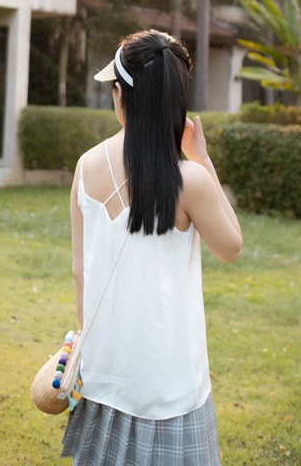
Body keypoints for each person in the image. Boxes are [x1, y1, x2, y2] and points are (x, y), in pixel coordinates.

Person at [61, 29, 243, 466]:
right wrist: (202, 158)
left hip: (104, 372)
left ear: (122, 95)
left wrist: (89, 352)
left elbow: (80, 272)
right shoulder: (189, 180)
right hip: (169, 383)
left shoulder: (86, 165)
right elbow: (231, 247)